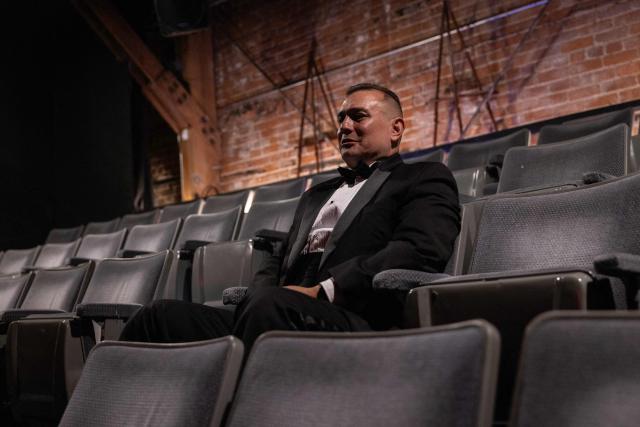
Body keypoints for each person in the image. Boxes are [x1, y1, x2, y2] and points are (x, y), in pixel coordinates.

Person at [120, 83, 460, 349]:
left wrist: (326, 290)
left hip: (355, 313)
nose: (344, 126)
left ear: (396, 128)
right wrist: (260, 292)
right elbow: (277, 261)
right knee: (159, 315)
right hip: (276, 309)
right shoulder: (315, 195)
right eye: (341, 118)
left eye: (358, 117)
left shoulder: (423, 177)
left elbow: (418, 248)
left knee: (270, 305)